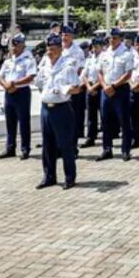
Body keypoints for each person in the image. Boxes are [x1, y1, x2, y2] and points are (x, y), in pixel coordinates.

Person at [35, 34, 81, 189]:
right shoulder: (44, 64)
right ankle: (49, 176)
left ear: (60, 49)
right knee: (47, 145)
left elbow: (76, 88)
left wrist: (63, 89)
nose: (49, 52)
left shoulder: (68, 65)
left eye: (53, 49)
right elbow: (39, 82)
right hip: (45, 108)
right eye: (48, 49)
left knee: (65, 144)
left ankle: (69, 177)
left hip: (61, 109)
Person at [0, 33, 36, 160]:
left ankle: (25, 148)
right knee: (10, 121)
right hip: (9, 92)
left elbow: (30, 76)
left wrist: (15, 83)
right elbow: (0, 76)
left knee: (24, 122)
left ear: (23, 46)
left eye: (16, 45)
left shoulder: (28, 60)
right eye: (12, 45)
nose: (13, 48)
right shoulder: (8, 61)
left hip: (22, 92)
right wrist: (6, 86)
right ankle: (10, 148)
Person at [98, 28, 135, 161]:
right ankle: (107, 149)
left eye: (114, 38)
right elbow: (100, 72)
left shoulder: (126, 54)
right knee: (105, 121)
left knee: (124, 120)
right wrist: (105, 86)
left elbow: (128, 74)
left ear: (120, 39)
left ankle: (125, 150)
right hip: (106, 89)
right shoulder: (104, 54)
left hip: (120, 90)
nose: (112, 40)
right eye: (110, 38)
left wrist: (114, 86)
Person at [59, 25, 87, 139]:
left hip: (73, 88)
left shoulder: (78, 51)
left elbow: (81, 70)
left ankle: (73, 141)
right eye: (63, 35)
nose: (64, 37)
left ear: (72, 37)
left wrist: (77, 85)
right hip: (60, 87)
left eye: (67, 35)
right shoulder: (58, 48)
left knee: (73, 115)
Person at [82, 38, 102, 145]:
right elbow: (84, 75)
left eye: (97, 46)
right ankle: (91, 137)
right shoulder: (89, 59)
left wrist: (94, 87)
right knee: (91, 115)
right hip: (90, 87)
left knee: (104, 114)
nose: (94, 49)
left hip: (100, 87)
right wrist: (89, 87)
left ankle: (107, 136)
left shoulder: (104, 58)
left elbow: (105, 75)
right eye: (93, 47)